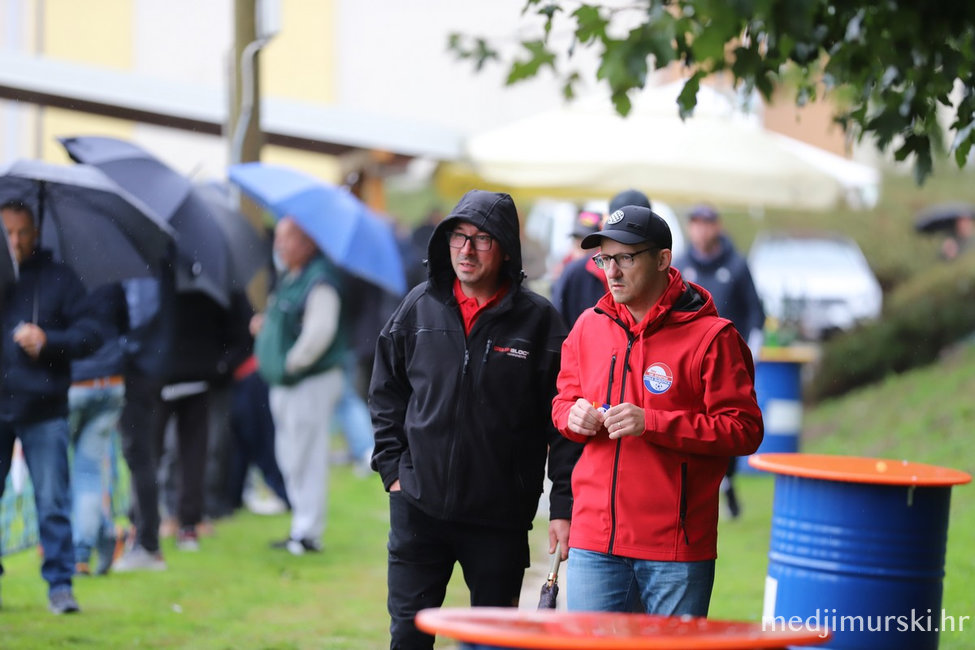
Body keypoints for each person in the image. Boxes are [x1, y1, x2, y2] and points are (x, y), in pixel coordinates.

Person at [370, 189, 583, 649]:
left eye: (482, 239)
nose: (466, 250)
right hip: (418, 508)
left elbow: (564, 421)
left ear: (505, 248)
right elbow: (387, 390)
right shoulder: (418, 307)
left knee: (493, 643)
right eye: (458, 237)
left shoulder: (539, 322)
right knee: (407, 636)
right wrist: (393, 470)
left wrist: (563, 506)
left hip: (499, 518)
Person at [551, 204, 763, 617]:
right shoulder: (587, 326)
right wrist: (571, 416)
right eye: (604, 259)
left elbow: (744, 429)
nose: (612, 272)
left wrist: (652, 422)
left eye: (626, 258)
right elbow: (562, 401)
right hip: (595, 541)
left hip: (674, 548)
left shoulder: (713, 337)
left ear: (663, 259)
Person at [0, 200, 104, 614]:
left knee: (52, 502)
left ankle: (60, 585)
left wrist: (49, 341)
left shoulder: (60, 279)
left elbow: (92, 333)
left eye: (22, 232)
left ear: (36, 233)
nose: (14, 241)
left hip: (43, 408)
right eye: (7, 232)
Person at [253, 217, 346, 556]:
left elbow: (320, 332)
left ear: (308, 243)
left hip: (309, 382)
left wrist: (290, 363)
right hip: (287, 384)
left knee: (307, 457)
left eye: (287, 238)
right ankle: (300, 526)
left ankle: (307, 532)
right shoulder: (292, 276)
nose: (279, 245)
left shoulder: (319, 280)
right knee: (290, 456)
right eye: (278, 238)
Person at [671, 203, 765, 518]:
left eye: (706, 223)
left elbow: (755, 312)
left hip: (729, 362)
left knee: (727, 422)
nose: (701, 230)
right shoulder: (681, 265)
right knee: (692, 420)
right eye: (695, 223)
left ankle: (729, 481)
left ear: (717, 226)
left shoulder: (736, 265)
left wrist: (752, 351)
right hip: (689, 362)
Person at [67, 283, 128, 576]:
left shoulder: (60, 279)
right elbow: (125, 323)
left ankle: (80, 550)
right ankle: (100, 535)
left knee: (67, 472)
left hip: (75, 383)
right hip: (111, 381)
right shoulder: (110, 277)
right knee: (88, 472)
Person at [551, 189, 651, 327]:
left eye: (627, 258)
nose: (613, 272)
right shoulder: (575, 273)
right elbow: (559, 329)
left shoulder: (660, 277)